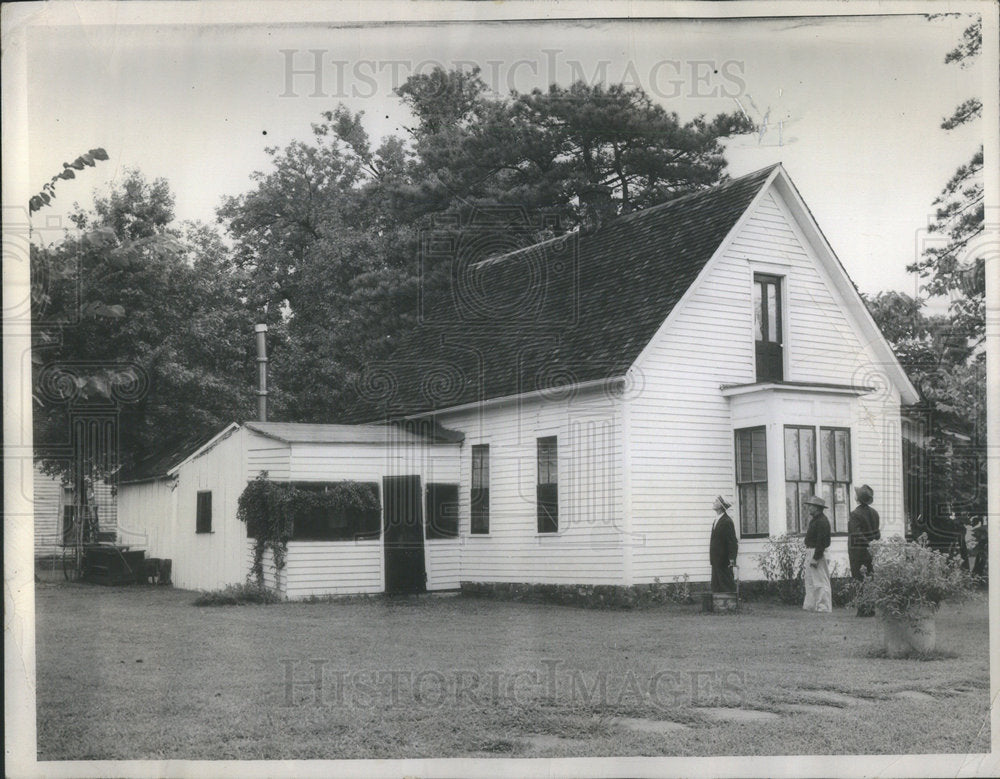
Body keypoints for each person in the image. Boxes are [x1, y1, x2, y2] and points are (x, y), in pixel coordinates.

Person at [848, 485, 880, 616]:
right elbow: (877, 534)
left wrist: (865, 543)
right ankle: (871, 608)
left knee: (859, 578)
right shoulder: (874, 513)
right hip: (871, 551)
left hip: (857, 551)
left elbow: (855, 533)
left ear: (858, 498)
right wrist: (872, 543)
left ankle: (862, 609)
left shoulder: (855, 514)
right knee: (870, 578)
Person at [802, 495, 832, 612]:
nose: (809, 508)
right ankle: (811, 605)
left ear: (817, 508)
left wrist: (816, 557)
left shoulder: (822, 521)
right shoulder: (815, 520)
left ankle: (823, 607)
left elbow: (822, 542)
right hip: (811, 550)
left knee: (820, 581)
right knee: (809, 580)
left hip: (817, 552)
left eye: (811, 506)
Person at [709, 495, 739, 594]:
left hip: (724, 560)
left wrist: (732, 559)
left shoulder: (727, 521)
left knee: (726, 584)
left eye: (716, 501)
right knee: (716, 584)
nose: (714, 502)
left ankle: (730, 605)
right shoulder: (716, 520)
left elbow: (732, 542)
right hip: (715, 559)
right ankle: (718, 606)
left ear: (721, 506)